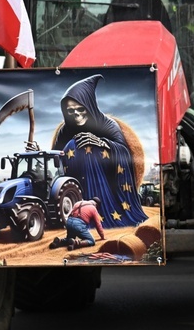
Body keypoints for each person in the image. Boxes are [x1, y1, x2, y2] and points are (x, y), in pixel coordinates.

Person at [52, 74, 149, 228]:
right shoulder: (65, 130)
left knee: (90, 150)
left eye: (80, 109)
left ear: (89, 106)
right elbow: (56, 157)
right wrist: (38, 153)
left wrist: (102, 143)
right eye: (70, 111)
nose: (76, 115)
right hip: (75, 184)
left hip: (108, 183)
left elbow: (124, 152)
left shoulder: (107, 125)